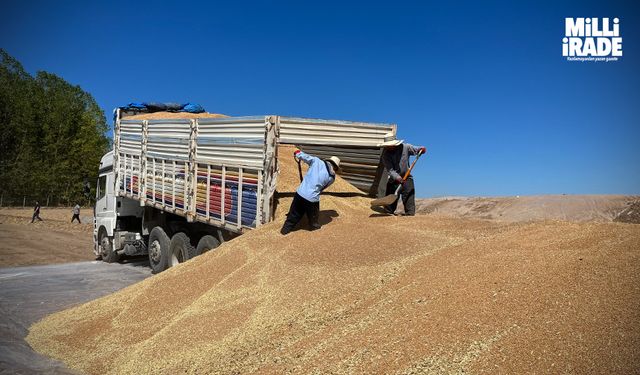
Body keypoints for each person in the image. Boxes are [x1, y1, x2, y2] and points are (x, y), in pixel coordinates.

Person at [280, 149, 341, 235]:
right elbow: (321, 189)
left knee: (293, 215)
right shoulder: (332, 178)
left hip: (300, 193)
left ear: (329, 161)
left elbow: (305, 157)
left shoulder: (316, 161)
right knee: (314, 218)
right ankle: (313, 228)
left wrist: (298, 153)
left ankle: (284, 231)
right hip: (312, 199)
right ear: (335, 167)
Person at [379, 139, 426, 216]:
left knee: (409, 200)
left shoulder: (406, 147)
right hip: (394, 179)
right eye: (387, 146)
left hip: (407, 177)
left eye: (390, 145)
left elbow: (416, 149)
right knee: (389, 206)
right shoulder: (385, 155)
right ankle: (389, 211)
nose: (389, 147)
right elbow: (390, 170)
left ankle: (409, 214)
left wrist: (421, 149)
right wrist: (398, 178)